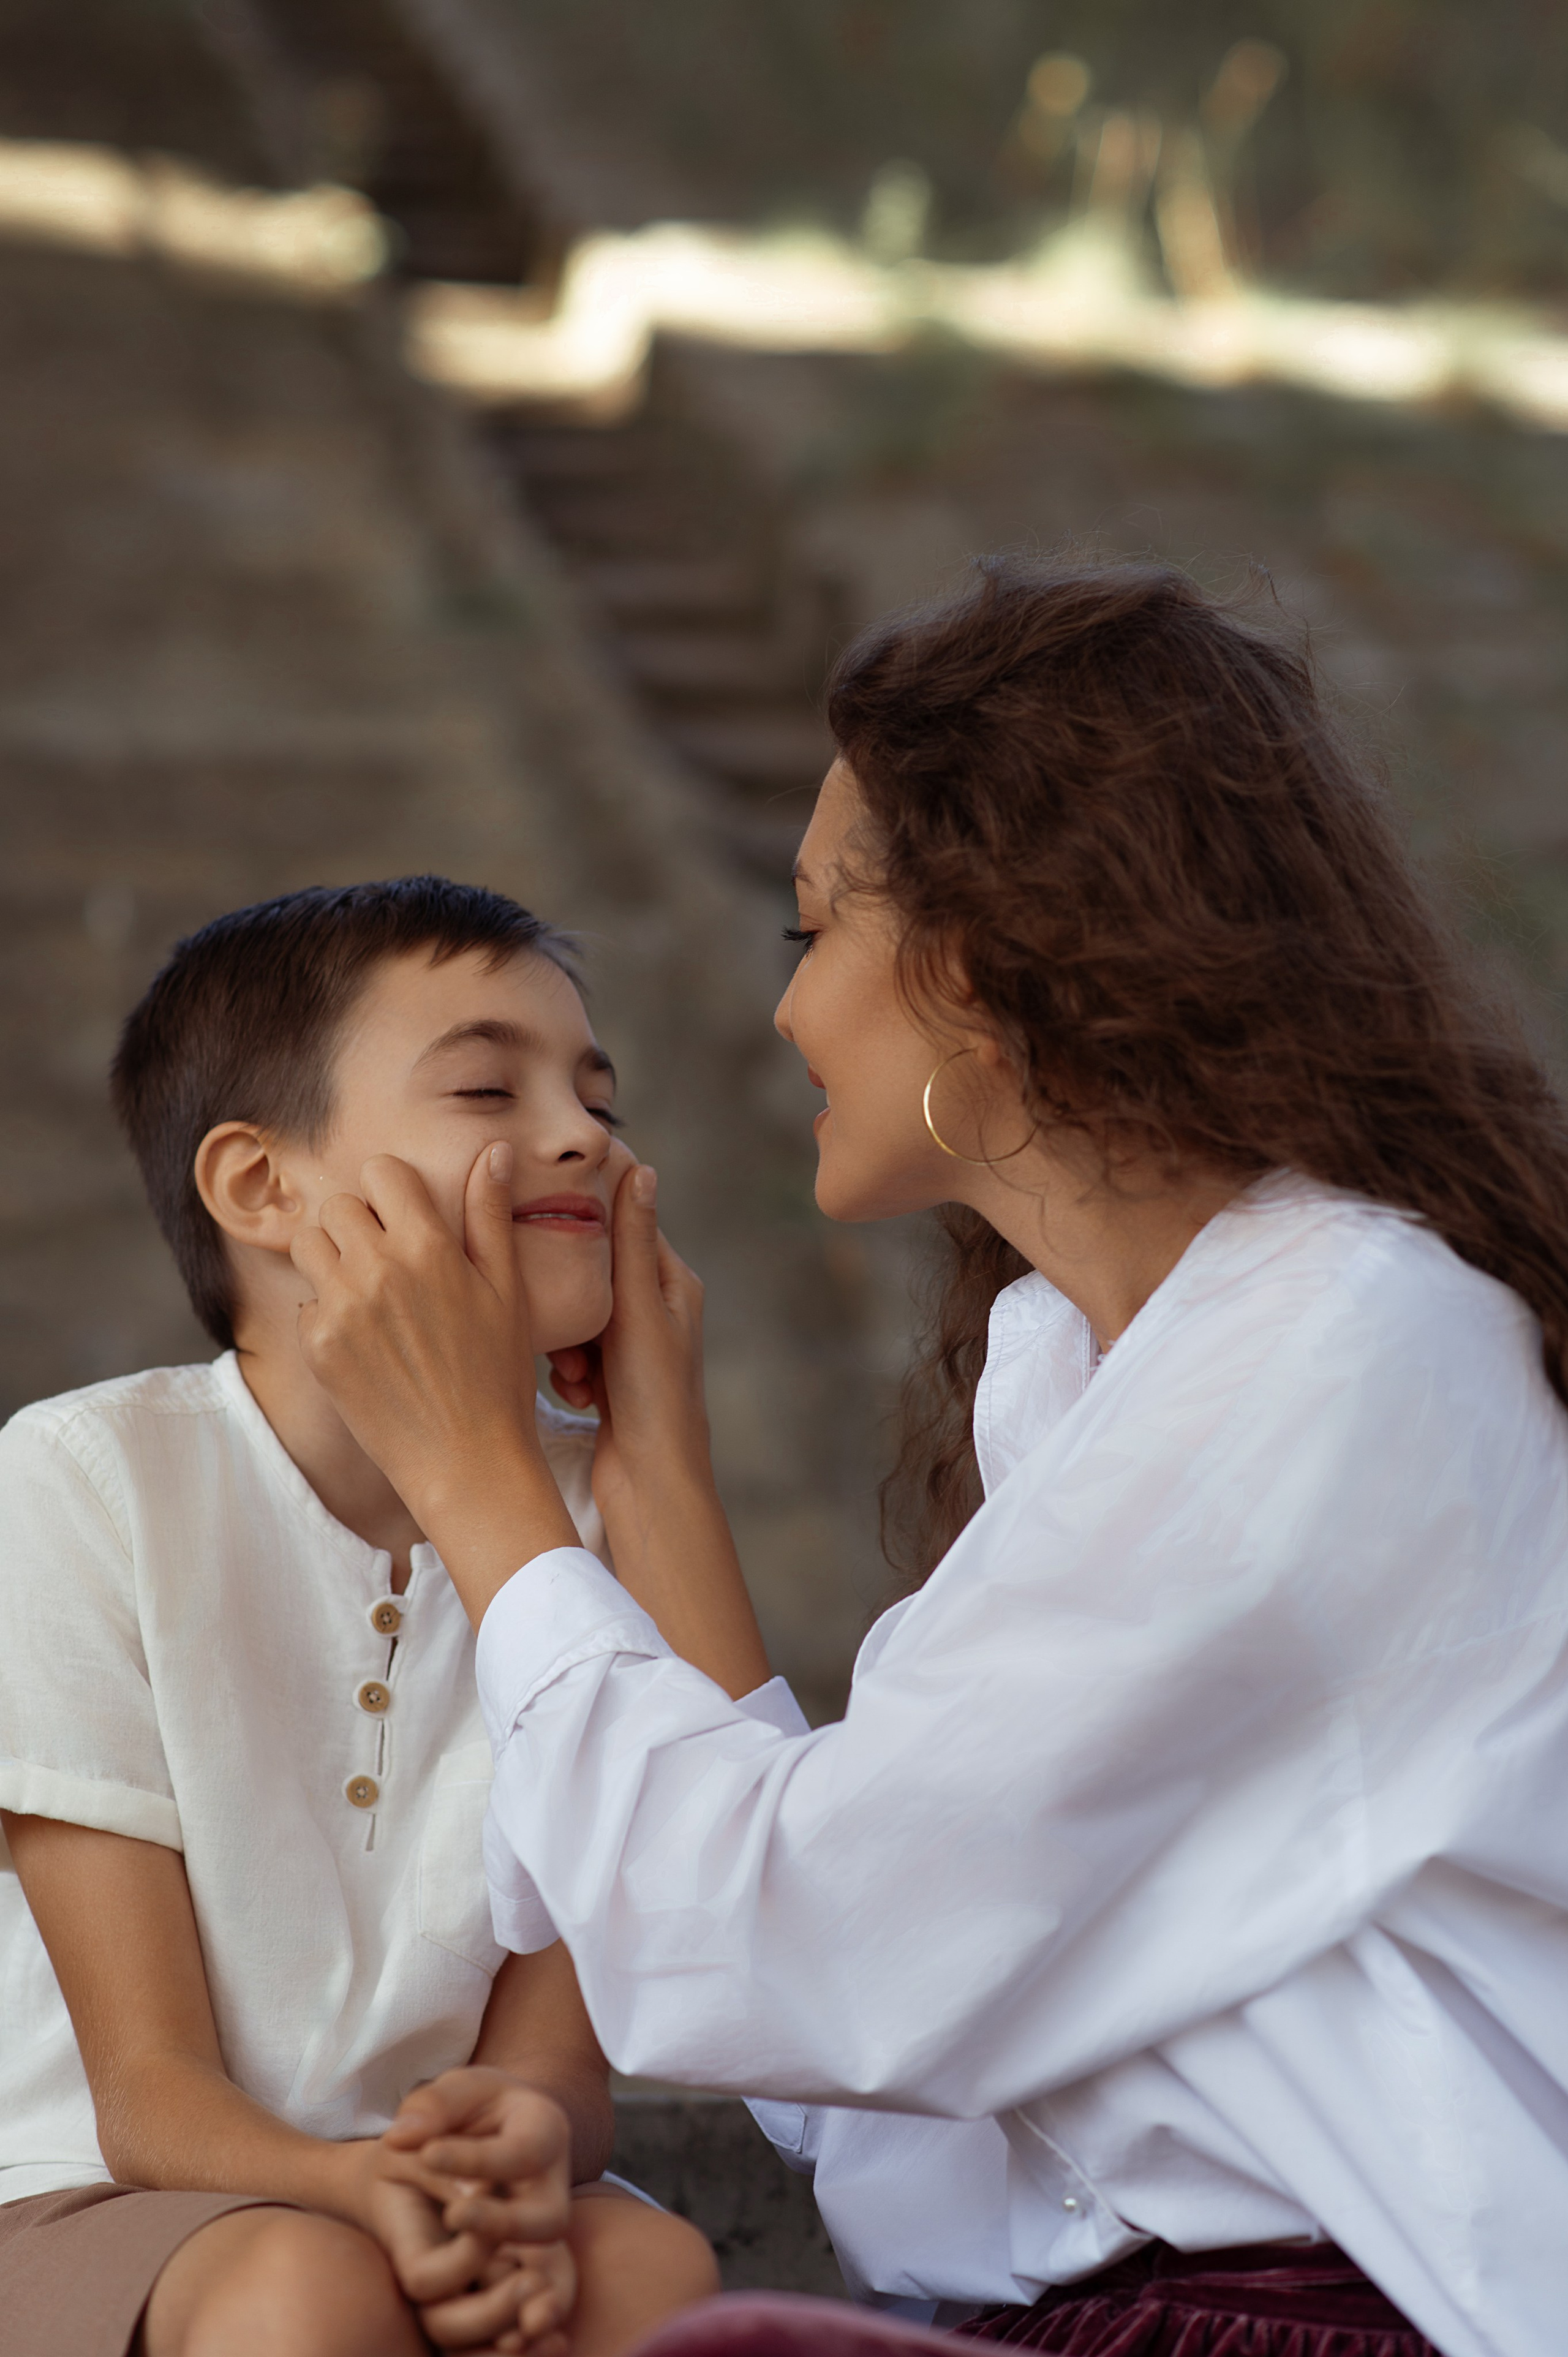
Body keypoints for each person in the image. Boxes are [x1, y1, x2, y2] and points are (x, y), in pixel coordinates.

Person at [284, 562, 1568, 2357]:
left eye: (817, 933)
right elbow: (867, 2024)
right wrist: (647, 1479)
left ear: (967, 969)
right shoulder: (1086, 1366)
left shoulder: (1339, 1351)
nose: (790, 1009)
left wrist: (480, 1484)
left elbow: (808, 1952)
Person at [0, 878, 719, 2357]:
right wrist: (359, 2185)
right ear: (261, 1190)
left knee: (650, 2278)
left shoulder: (595, 1522)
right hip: (103, 2191)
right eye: (484, 1087)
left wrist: (511, 2145)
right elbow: (144, 2095)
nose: (584, 1132)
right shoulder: (88, 1480)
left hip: (420, 2189)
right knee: (304, 2289)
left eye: (596, 1094)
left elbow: (564, 2064)